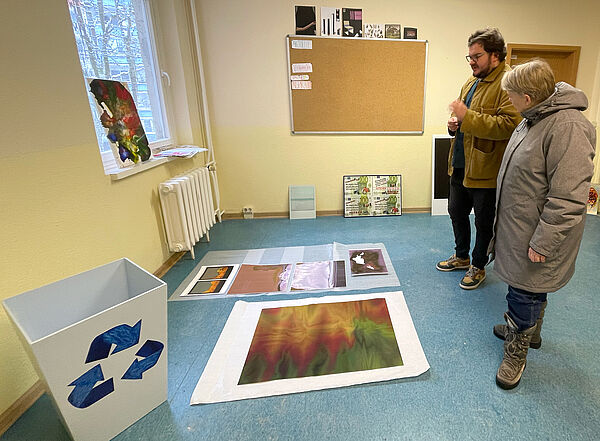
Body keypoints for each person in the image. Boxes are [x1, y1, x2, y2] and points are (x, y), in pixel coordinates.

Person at [489, 59, 596, 389]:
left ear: (529, 96)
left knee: (525, 290)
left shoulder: (568, 127)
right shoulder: (532, 118)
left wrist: (544, 241)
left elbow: (568, 196)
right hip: (520, 224)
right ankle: (528, 330)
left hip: (537, 230)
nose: (508, 100)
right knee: (525, 286)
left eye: (511, 94)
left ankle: (518, 347)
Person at [436, 28, 521, 290]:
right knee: (456, 212)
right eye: (469, 56)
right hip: (461, 162)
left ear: (495, 55)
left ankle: (478, 265)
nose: (471, 61)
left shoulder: (508, 83)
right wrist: (453, 126)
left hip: (486, 168)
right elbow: (464, 119)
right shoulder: (471, 82)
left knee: (483, 220)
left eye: (477, 56)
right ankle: (462, 256)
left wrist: (467, 116)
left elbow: (509, 124)